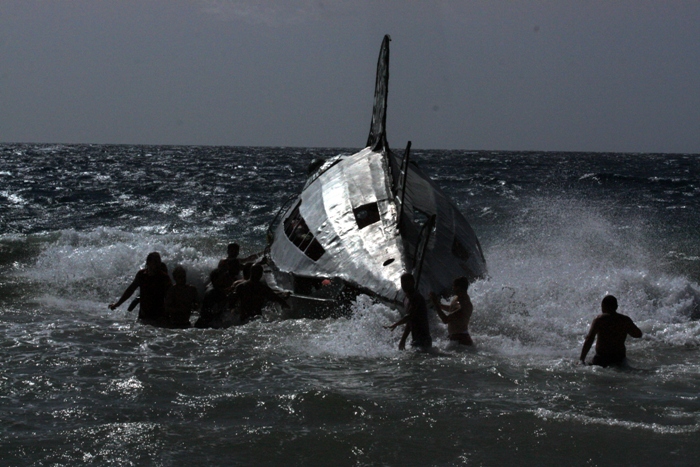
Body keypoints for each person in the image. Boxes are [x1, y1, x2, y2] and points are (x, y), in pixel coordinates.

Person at [109, 252, 172, 325]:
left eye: (158, 262)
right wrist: (117, 304)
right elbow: (130, 290)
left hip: (159, 318)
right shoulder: (142, 275)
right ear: (148, 263)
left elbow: (172, 295)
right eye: (155, 262)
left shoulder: (164, 277)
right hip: (144, 316)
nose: (158, 265)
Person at [580, 295, 643, 367]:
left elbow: (589, 339)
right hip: (619, 359)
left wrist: (581, 359)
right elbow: (638, 334)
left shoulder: (599, 320)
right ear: (616, 307)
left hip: (602, 359)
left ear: (603, 307)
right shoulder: (624, 320)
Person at [385, 273, 432, 350]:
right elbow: (410, 321)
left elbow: (410, 315)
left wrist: (395, 324)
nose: (404, 285)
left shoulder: (417, 297)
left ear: (413, 283)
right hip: (415, 339)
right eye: (402, 283)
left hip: (424, 340)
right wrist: (403, 339)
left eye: (407, 283)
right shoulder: (406, 299)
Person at [429, 276, 473, 346]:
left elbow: (445, 320)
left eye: (454, 286)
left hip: (462, 340)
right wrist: (439, 305)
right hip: (455, 339)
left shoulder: (465, 305)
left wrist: (436, 304)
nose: (453, 288)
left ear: (458, 288)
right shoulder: (457, 298)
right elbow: (452, 308)